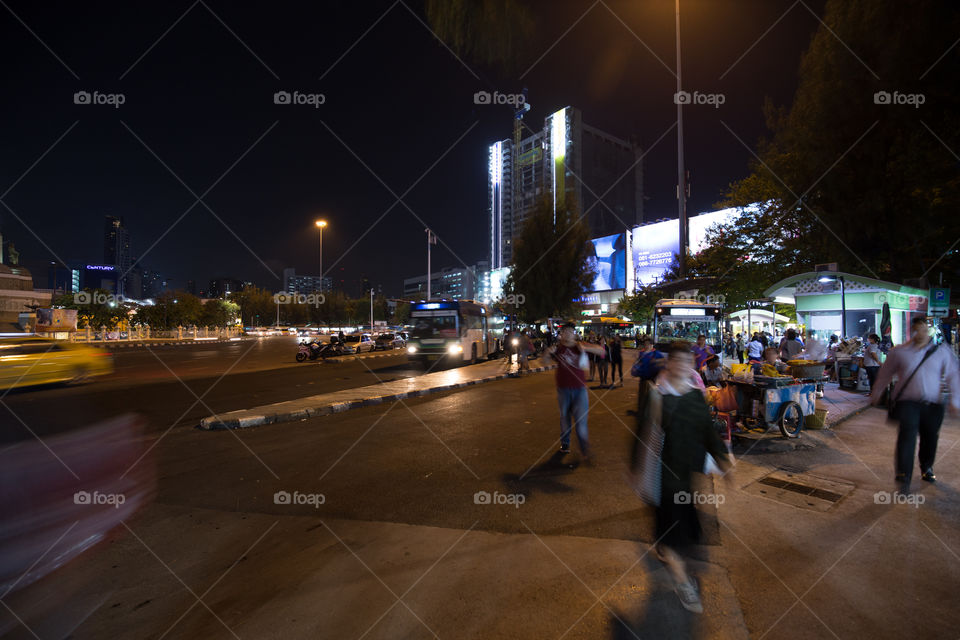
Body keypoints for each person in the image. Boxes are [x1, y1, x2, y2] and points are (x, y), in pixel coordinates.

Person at [633, 342, 733, 613]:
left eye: (687, 361)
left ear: (692, 365)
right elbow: (641, 438)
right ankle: (682, 583)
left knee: (687, 534)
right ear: (669, 364)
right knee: (675, 535)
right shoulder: (657, 397)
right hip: (663, 480)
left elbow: (707, 431)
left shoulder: (693, 396)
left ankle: (668, 552)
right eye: (677, 360)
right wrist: (637, 472)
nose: (682, 365)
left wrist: (723, 462)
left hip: (687, 480)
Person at [870, 316, 960, 489]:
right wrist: (877, 392)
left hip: (933, 404)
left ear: (930, 331)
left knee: (930, 438)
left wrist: (955, 401)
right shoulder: (899, 352)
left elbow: (953, 375)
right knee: (907, 436)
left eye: (925, 330)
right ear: (913, 331)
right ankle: (903, 474)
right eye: (918, 330)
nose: (921, 334)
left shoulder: (941, 351)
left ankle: (926, 467)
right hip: (907, 403)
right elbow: (885, 373)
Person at [543, 323, 606, 459]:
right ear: (562, 334)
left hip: (580, 389)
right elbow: (545, 362)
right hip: (563, 389)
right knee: (564, 418)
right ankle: (565, 443)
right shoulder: (558, 348)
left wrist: (586, 347)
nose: (568, 334)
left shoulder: (580, 345)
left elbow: (602, 351)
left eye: (570, 331)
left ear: (575, 333)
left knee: (581, 419)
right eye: (565, 332)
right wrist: (548, 353)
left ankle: (584, 447)